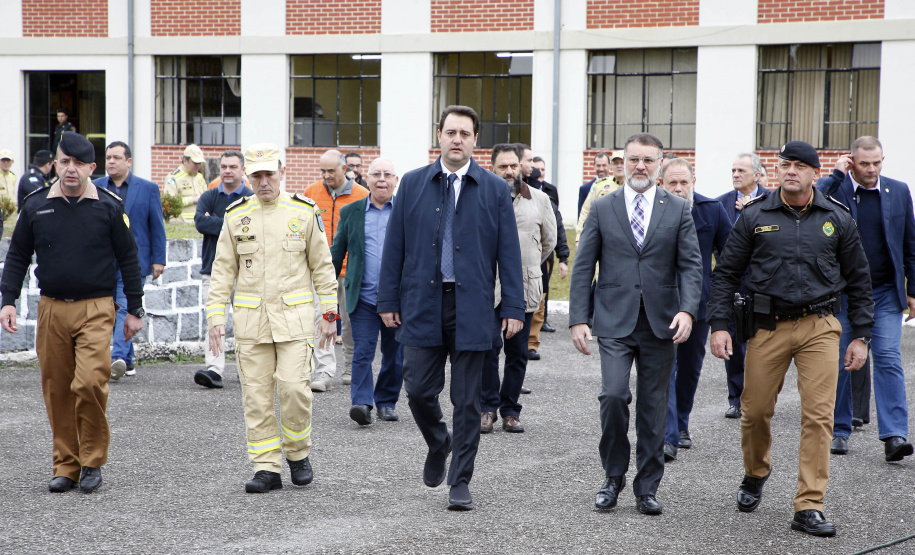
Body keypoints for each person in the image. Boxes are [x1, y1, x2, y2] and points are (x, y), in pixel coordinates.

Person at [708, 141, 874, 537]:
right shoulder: (753, 216)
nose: (791, 172)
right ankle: (756, 472)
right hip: (768, 326)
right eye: (785, 165)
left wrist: (862, 336)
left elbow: (860, 280)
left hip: (819, 325)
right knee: (755, 410)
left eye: (800, 166)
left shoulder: (837, 217)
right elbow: (727, 273)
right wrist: (719, 325)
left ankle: (809, 504)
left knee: (818, 416)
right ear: (776, 170)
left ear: (815, 174)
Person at [378, 105, 524, 511]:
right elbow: (395, 247)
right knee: (419, 390)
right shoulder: (411, 184)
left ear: (476, 140)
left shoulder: (495, 189)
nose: (456, 139)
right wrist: (388, 299)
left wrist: (513, 305)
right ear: (438, 136)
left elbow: (509, 254)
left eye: (465, 133)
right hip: (422, 303)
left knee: (467, 400)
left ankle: (460, 480)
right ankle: (438, 441)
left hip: (473, 307)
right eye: (450, 132)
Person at [0, 132, 144, 493]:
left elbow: (129, 258)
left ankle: (92, 460)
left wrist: (135, 309)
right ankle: (66, 465)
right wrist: (7, 300)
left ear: (91, 168)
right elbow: (17, 255)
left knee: (90, 381)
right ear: (56, 164)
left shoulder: (109, 206)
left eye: (79, 164)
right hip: (52, 308)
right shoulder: (35, 205)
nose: (71, 170)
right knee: (57, 389)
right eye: (64, 162)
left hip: (96, 307)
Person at [570, 133, 702, 516]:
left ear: (660, 164)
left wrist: (688, 310)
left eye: (647, 160)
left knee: (654, 406)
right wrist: (579, 318)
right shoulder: (603, 207)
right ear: (622, 163)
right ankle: (613, 477)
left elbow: (692, 266)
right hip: (613, 319)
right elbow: (583, 268)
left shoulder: (677, 209)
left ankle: (647, 487)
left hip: (662, 322)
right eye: (633, 160)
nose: (640, 166)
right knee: (613, 396)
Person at [206, 143, 338, 493]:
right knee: (257, 397)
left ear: (283, 173)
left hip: (294, 321)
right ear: (249, 178)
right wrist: (215, 316)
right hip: (252, 324)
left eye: (270, 174)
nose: (264, 182)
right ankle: (267, 467)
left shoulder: (304, 212)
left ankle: (297, 454)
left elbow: (323, 268)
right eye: (257, 176)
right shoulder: (236, 217)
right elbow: (222, 272)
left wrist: (330, 314)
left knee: (295, 389)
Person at [816, 136, 914, 462]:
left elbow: (910, 244)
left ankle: (895, 435)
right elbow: (812, 200)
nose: (871, 169)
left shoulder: (898, 191)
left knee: (887, 356)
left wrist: (912, 289)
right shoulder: (839, 189)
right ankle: (839, 429)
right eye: (864, 163)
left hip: (885, 292)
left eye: (877, 162)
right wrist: (835, 175)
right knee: (844, 359)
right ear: (851, 161)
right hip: (844, 292)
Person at [657, 158, 731, 461]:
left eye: (683, 182)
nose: (677, 188)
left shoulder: (711, 210)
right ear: (661, 183)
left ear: (693, 182)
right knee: (665, 370)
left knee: (688, 370)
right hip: (660, 305)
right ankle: (668, 435)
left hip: (698, 305)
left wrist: (720, 303)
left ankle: (681, 423)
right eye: (671, 182)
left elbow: (729, 257)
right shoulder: (652, 210)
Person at [480, 144, 555, 434]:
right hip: (487, 288)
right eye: (503, 167)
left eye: (514, 166)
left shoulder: (539, 199)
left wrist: (529, 266)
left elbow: (548, 241)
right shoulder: (482, 198)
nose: (509, 171)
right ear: (493, 168)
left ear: (521, 167)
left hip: (524, 287)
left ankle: (510, 410)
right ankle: (487, 408)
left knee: (517, 352)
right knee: (487, 349)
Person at [330, 158, 403, 425]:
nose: (382, 179)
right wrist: (324, 287)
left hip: (397, 300)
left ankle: (386, 401)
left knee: (395, 354)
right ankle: (361, 403)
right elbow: (337, 252)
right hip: (362, 297)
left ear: (396, 180)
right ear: (367, 179)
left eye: (387, 174)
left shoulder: (406, 211)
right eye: (376, 174)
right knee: (362, 351)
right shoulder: (351, 212)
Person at [92, 141, 167, 380]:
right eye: (108, 158)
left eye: (116, 157)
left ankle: (118, 359)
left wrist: (158, 259)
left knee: (125, 306)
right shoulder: (95, 187)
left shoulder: (147, 189)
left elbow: (157, 226)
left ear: (129, 161)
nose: (111, 162)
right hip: (103, 261)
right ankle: (129, 361)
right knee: (112, 310)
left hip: (134, 261)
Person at [304, 150, 369, 391]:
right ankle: (323, 371)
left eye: (331, 171)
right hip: (321, 271)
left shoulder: (362, 195)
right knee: (323, 319)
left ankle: (351, 367)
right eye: (322, 171)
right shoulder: (311, 192)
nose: (325, 175)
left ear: (344, 169)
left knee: (351, 322)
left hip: (351, 271)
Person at [715, 153, 770, 419]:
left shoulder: (772, 201)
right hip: (734, 283)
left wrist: (752, 211)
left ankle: (760, 396)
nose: (736, 174)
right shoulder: (721, 204)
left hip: (765, 284)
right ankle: (736, 398)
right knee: (735, 343)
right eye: (733, 170)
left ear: (757, 175)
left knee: (763, 343)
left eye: (742, 170)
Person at [193, 150, 254, 389]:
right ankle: (214, 369)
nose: (227, 171)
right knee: (214, 320)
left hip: (244, 272)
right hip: (213, 270)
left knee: (246, 322)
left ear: (242, 170)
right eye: (224, 167)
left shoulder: (250, 197)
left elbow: (249, 230)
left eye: (232, 167)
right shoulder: (209, 195)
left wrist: (216, 221)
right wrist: (233, 222)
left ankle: (245, 368)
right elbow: (200, 222)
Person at [527, 155, 569, 361]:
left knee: (539, 297)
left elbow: (557, 229)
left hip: (540, 258)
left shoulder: (548, 197)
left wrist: (563, 257)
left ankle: (531, 343)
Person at [577, 150, 625, 243]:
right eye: (616, 163)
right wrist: (579, 237)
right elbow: (586, 211)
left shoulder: (634, 186)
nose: (619, 166)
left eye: (622, 163)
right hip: (603, 236)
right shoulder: (599, 185)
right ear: (611, 166)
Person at [164, 144, 208, 223]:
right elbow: (169, 204)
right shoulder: (173, 178)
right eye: (195, 162)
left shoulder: (200, 177)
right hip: (181, 225)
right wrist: (192, 200)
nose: (198, 166)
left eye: (200, 163)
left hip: (200, 223)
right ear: (185, 161)